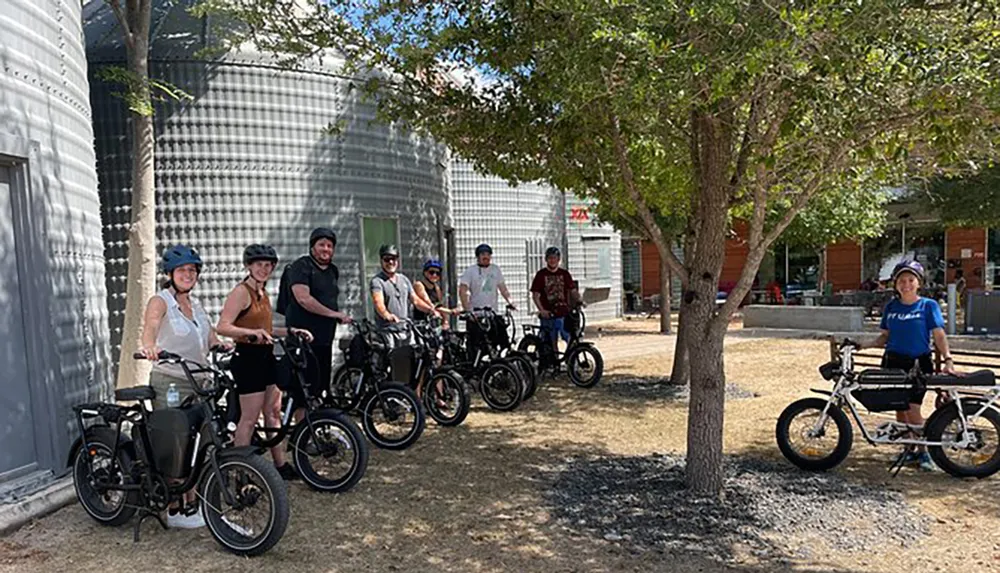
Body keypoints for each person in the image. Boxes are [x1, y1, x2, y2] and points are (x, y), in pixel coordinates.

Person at [138, 244, 227, 529]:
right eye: (183, 270)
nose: (188, 274)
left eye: (192, 270)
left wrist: (220, 344)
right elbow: (150, 327)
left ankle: (192, 503)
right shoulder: (160, 301)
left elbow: (209, 335)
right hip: (171, 381)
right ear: (170, 273)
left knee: (199, 444)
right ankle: (174, 509)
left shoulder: (196, 305)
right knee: (175, 446)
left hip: (199, 381)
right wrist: (149, 346)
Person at [216, 244, 313, 481]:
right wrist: (252, 333)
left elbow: (266, 329)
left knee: (273, 411)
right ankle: (240, 471)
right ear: (248, 266)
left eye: (268, 265)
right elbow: (222, 326)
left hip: (266, 355)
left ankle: (279, 465)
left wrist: (291, 330)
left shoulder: (263, 292)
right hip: (247, 358)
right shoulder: (241, 292)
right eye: (258, 264)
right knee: (249, 419)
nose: (263, 269)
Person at [860, 260, 958, 472]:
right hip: (893, 362)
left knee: (913, 409)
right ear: (895, 284)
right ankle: (909, 449)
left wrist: (948, 358)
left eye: (911, 280)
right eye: (901, 280)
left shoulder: (928, 306)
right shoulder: (891, 308)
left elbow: (939, 335)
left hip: (918, 363)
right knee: (899, 407)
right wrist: (862, 345)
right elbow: (884, 337)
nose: (906, 284)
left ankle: (925, 453)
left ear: (918, 283)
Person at [277, 227, 352, 406]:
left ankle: (322, 418)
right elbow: (303, 299)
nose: (326, 249)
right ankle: (303, 425)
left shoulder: (333, 270)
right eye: (321, 245)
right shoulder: (301, 266)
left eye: (329, 246)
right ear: (312, 247)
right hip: (303, 338)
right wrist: (334, 314)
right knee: (303, 388)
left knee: (321, 381)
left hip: (325, 337)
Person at [371, 245, 439, 383]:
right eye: (387, 259)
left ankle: (408, 394)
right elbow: (378, 303)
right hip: (387, 331)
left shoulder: (404, 280)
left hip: (406, 330)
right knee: (390, 365)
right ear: (381, 260)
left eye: (394, 259)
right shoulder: (377, 281)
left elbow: (415, 300)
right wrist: (387, 315)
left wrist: (431, 310)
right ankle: (386, 394)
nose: (391, 262)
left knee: (412, 362)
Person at [530, 246, 582, 350]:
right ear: (546, 259)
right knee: (550, 342)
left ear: (558, 259)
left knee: (569, 337)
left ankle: (571, 361)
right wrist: (542, 310)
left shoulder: (564, 274)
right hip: (548, 314)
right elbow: (535, 295)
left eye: (554, 258)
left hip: (563, 313)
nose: (552, 260)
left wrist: (580, 300)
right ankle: (554, 364)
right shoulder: (541, 275)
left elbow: (573, 291)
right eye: (550, 258)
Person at [459, 243, 517, 312]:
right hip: (476, 311)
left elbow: (503, 289)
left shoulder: (495, 269)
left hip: (492, 311)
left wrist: (510, 301)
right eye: (483, 254)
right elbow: (463, 290)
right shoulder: (471, 271)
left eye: (488, 255)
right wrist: (466, 308)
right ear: (477, 256)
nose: (486, 257)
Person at [413, 258, 457, 327]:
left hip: (434, 322)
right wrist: (450, 311)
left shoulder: (437, 288)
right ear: (425, 272)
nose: (434, 275)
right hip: (421, 323)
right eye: (431, 272)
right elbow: (429, 303)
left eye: (437, 273)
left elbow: (440, 305)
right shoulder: (419, 285)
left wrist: (445, 321)